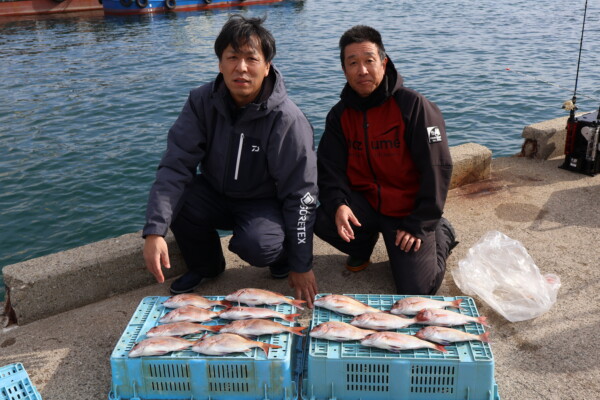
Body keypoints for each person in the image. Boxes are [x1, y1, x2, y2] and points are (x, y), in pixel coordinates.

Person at [142, 15, 318, 307]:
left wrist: (302, 264)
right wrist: (154, 230)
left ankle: (282, 255)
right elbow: (175, 166)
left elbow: (302, 194)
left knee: (258, 244)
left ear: (267, 66)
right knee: (179, 199)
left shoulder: (287, 119)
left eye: (251, 58)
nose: (242, 68)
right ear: (220, 64)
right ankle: (206, 266)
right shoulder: (201, 101)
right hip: (213, 192)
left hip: (262, 201)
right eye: (232, 57)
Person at [314, 25, 458, 295]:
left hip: (407, 210)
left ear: (384, 62)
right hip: (365, 204)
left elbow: (438, 168)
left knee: (417, 289)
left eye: (369, 60)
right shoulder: (339, 115)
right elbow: (329, 168)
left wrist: (420, 222)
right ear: (344, 69)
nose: (362, 70)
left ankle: (440, 231)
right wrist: (338, 205)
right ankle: (362, 245)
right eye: (352, 63)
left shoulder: (413, 106)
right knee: (319, 216)